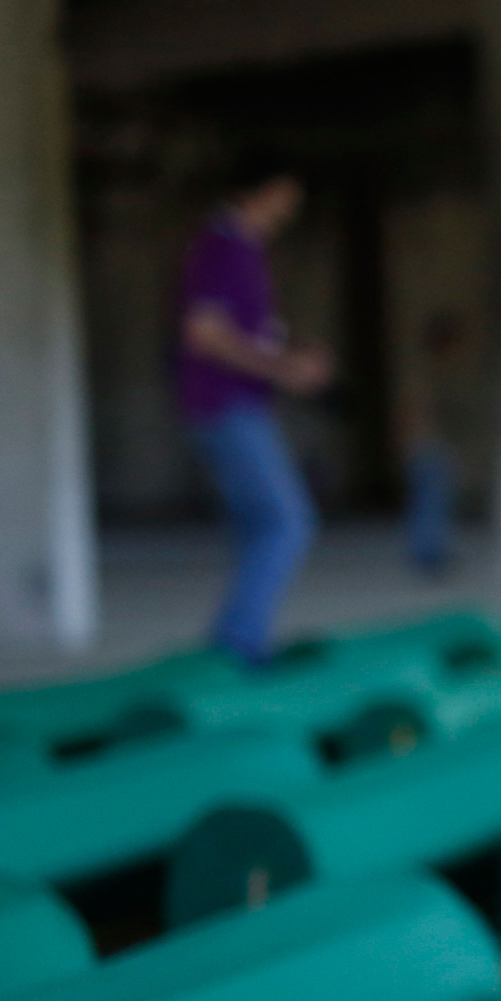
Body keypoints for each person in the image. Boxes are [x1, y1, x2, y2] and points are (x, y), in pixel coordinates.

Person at [176, 152, 333, 664]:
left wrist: (287, 358)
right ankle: (237, 647)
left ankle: (239, 643)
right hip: (226, 404)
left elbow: (240, 334)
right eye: (282, 194)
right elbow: (204, 335)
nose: (288, 208)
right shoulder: (224, 245)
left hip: (239, 402)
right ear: (253, 190)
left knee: (258, 527)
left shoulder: (245, 249)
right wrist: (283, 370)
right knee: (288, 522)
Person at [398, 310, 467, 579]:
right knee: (427, 500)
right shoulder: (422, 372)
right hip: (425, 445)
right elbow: (409, 410)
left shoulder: (437, 370)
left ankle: (434, 549)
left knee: (436, 499)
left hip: (436, 444)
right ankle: (426, 554)